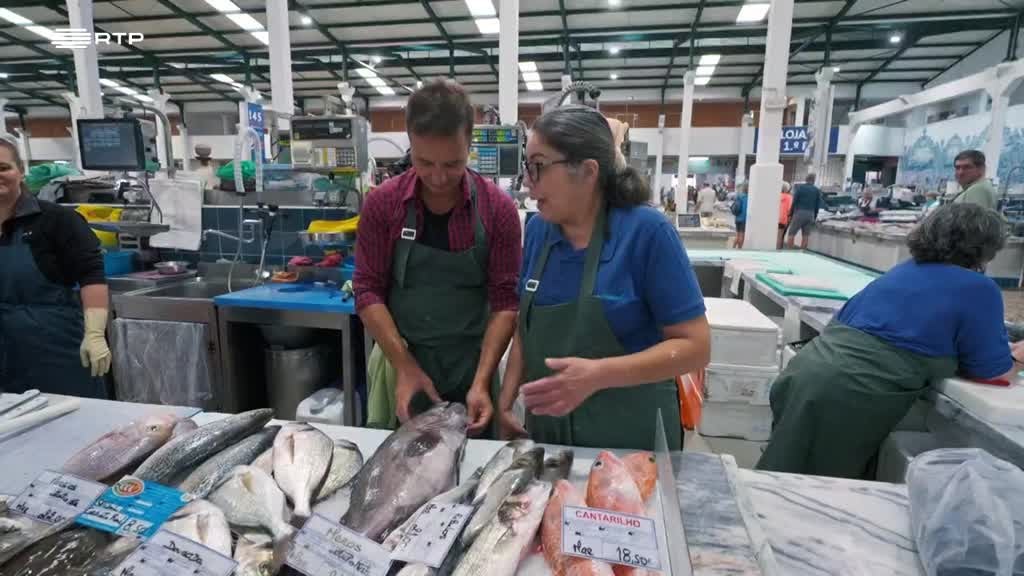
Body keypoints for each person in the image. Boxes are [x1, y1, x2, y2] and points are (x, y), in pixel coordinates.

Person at [496, 106, 710, 451]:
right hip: (550, 440)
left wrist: (599, 375)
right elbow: (527, 325)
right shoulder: (538, 231)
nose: (527, 181)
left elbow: (695, 347)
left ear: (588, 171)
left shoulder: (646, 233)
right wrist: (505, 402)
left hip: (630, 444)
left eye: (538, 166)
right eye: (526, 167)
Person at [757, 204, 1022, 479]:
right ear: (985, 247)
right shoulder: (978, 288)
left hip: (803, 374)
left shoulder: (903, 271)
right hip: (847, 396)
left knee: (782, 476)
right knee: (811, 492)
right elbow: (995, 372)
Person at [354, 79, 522, 433]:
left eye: (453, 163)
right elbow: (367, 289)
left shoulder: (498, 210)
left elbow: (506, 302)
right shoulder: (383, 204)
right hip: (401, 356)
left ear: (470, 142)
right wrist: (405, 367)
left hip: (473, 364)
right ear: (410, 141)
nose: (438, 176)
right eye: (424, 162)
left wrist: (482, 381)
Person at [0, 137, 111, 397]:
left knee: (78, 426)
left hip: (55, 348)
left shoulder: (57, 220)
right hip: (5, 355)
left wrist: (95, 334)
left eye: (3, 168)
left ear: (21, 171)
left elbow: (91, 275)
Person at [787, 173, 822, 249]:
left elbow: (794, 202)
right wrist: (814, 216)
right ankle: (802, 254)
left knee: (791, 233)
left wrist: (790, 214)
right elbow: (817, 205)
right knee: (805, 235)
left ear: (806, 179)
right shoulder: (817, 190)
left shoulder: (800, 188)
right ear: (814, 180)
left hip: (800, 213)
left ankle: (790, 253)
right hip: (810, 214)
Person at [731, 183, 748, 249]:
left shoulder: (739, 196)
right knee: (742, 235)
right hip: (743, 219)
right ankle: (739, 250)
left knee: (737, 235)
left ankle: (733, 248)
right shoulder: (748, 198)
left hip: (737, 218)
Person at [778, 181, 793, 249]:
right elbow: (790, 209)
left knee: (776, 236)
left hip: (776, 218)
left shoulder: (777, 196)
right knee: (781, 236)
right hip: (783, 219)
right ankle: (778, 251)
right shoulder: (789, 197)